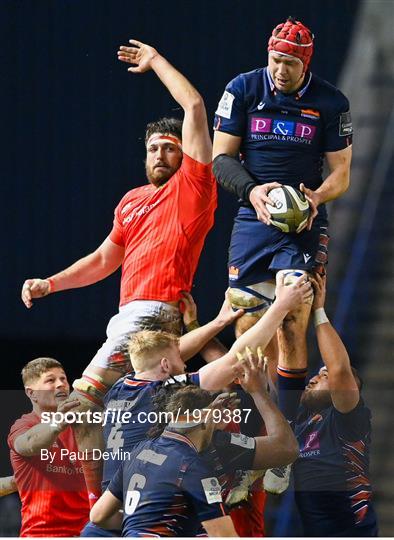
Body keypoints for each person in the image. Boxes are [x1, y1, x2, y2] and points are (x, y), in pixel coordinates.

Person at [20, 39, 216, 503]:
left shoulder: (194, 187)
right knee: (131, 419)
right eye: (153, 149)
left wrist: (155, 62)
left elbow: (193, 105)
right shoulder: (130, 201)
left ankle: (97, 510)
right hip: (127, 318)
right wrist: (52, 283)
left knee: (81, 404)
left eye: (170, 148)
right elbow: (104, 260)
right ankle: (137, 501)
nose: (160, 156)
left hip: (152, 318)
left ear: (184, 155)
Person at [212, 16, 353, 492]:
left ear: (304, 63)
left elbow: (341, 176)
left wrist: (314, 198)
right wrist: (253, 193)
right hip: (254, 220)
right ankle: (247, 439)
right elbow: (222, 158)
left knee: (293, 320)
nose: (279, 69)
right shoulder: (243, 88)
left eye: (289, 63)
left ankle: (283, 446)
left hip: (303, 226)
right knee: (247, 325)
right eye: (274, 59)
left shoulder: (331, 103)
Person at [81, 275, 308, 536]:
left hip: (115, 509)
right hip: (148, 505)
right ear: (166, 367)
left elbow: (156, 357)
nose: (186, 363)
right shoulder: (163, 396)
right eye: (180, 359)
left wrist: (217, 323)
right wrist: (281, 306)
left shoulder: (120, 388)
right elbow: (235, 361)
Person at [90, 351, 299, 538]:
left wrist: (140, 528)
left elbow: (98, 515)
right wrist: (258, 392)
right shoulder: (194, 468)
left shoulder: (140, 451)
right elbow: (286, 449)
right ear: (202, 420)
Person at [278, 273, 378, 536]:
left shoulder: (350, 420)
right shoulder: (300, 419)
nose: (314, 378)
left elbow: (339, 371)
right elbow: (275, 364)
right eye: (318, 373)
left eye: (323, 376)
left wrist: (319, 310)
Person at [7, 358, 90, 537]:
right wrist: (58, 424)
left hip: (88, 533)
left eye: (63, 379)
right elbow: (27, 445)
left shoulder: (83, 427)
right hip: (42, 534)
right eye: (50, 380)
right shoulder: (24, 425)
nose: (61, 384)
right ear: (32, 393)